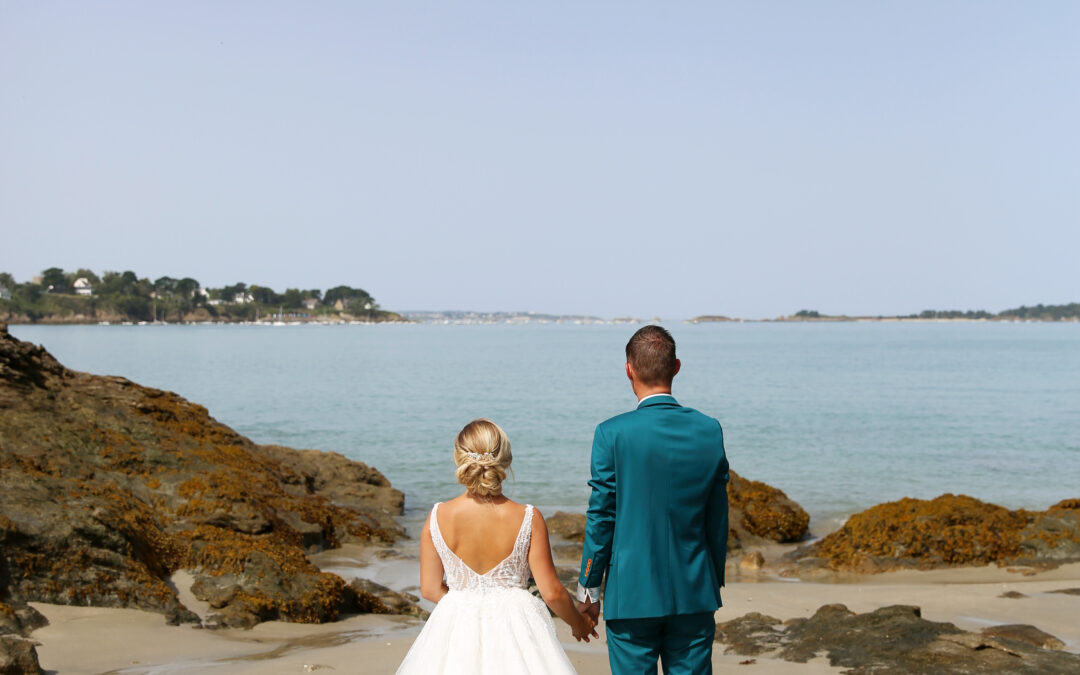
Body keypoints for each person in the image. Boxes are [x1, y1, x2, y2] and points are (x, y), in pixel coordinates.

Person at [577, 325, 730, 674]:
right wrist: (712, 575)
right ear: (676, 367)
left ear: (628, 369)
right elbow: (718, 516)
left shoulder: (611, 433)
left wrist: (589, 587)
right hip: (694, 591)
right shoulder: (709, 429)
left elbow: (602, 515)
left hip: (631, 595)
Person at [396, 418, 598, 674]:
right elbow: (552, 593)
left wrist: (469, 607)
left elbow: (429, 589)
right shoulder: (528, 517)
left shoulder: (437, 516)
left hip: (457, 625)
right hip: (518, 628)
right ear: (506, 459)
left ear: (459, 458)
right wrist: (579, 624)